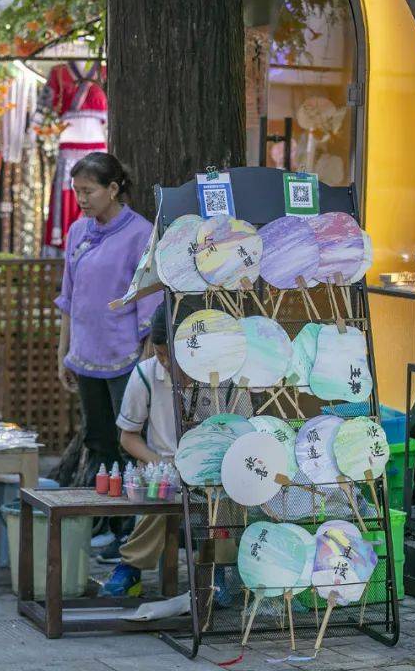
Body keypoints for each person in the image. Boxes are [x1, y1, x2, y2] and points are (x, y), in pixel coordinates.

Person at [99, 303, 247, 600]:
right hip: (163, 464)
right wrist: (161, 464)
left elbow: (243, 433)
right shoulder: (145, 375)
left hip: (212, 467)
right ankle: (131, 567)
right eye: (159, 353)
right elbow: (128, 437)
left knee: (225, 495)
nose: (164, 361)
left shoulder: (227, 379)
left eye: (170, 355)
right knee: (161, 489)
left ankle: (215, 569)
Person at [55, 152, 158, 544]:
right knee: (97, 440)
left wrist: (146, 361)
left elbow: (149, 302)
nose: (81, 199)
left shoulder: (140, 234)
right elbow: (69, 297)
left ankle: (132, 527)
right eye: (77, 191)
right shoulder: (77, 232)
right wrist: (64, 352)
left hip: (126, 356)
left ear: (113, 189)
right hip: (85, 355)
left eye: (89, 191)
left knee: (130, 441)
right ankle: (107, 520)